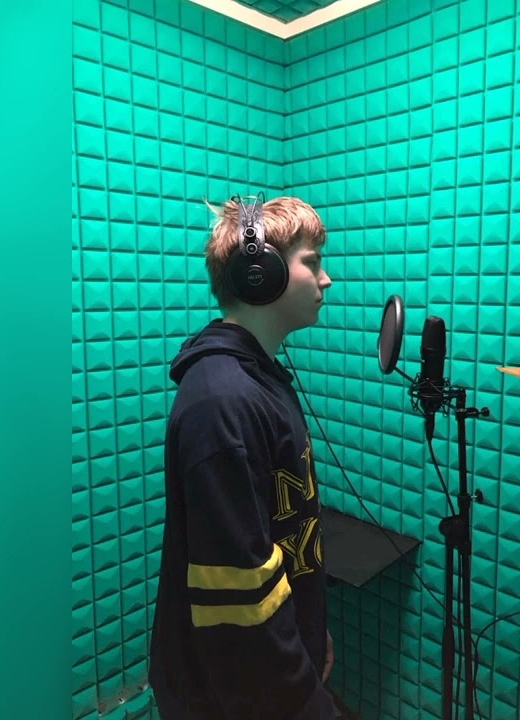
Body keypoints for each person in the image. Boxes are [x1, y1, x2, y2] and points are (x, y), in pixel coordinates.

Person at [148, 194, 338, 719]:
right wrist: (306, 703)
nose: (326, 280)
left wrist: (311, 629)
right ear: (261, 275)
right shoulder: (223, 402)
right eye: (313, 262)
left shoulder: (258, 380)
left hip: (273, 672)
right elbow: (238, 602)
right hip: (233, 698)